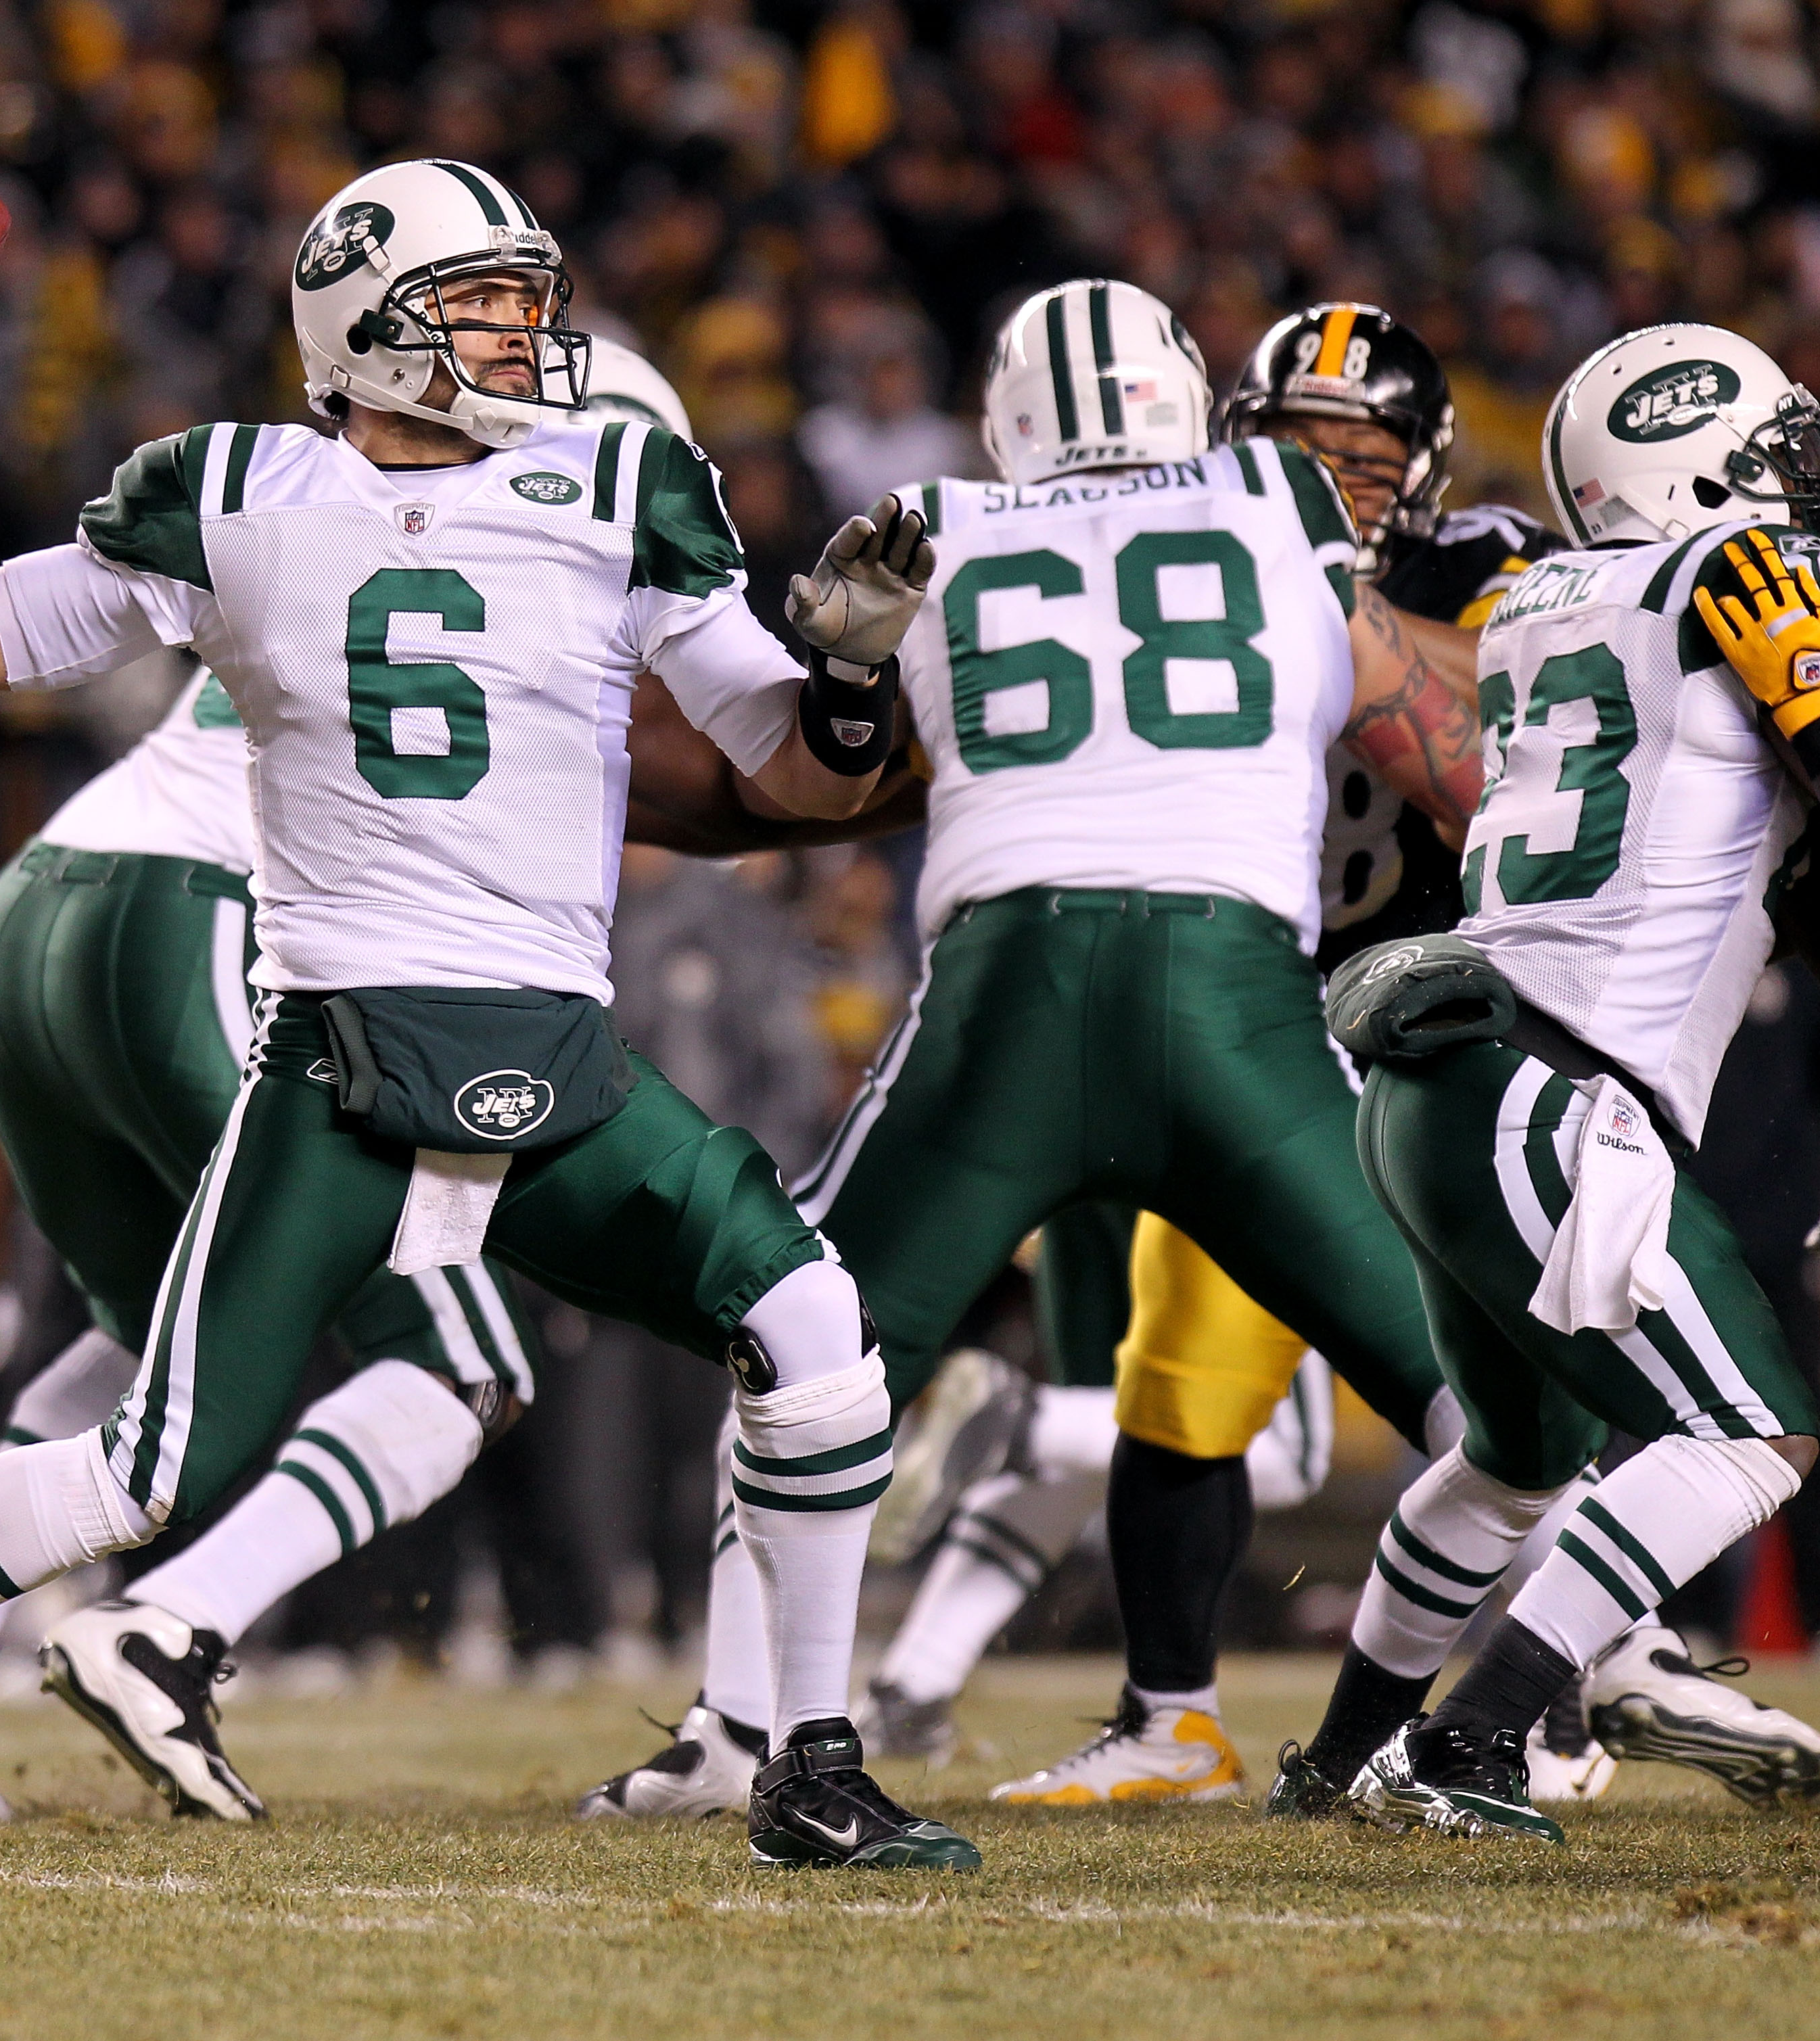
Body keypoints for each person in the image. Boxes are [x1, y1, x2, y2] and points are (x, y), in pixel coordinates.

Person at [0, 157, 973, 1877]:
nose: (530, 333)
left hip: (561, 1052)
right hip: (340, 1055)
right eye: (484, 302)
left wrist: (859, 670)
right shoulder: (226, 496)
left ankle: (807, 1760)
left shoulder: (617, 483)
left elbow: (793, 772)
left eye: (530, 297)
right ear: (364, 326)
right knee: (147, 1466)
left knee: (809, 1324)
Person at [582, 279, 1489, 1816]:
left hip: (1009, 991)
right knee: (1476, 1374)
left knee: (813, 1350)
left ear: (1005, 421)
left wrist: (852, 671)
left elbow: (826, 772)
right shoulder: (1275, 494)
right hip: (1233, 996)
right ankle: (1525, 1698)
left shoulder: (931, 518)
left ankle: (748, 1734)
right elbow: (1417, 729)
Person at [0, 346, 693, 1828]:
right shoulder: (555, 540)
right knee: (459, 1361)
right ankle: (169, 1629)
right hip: (212, 926)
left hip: (39, 909)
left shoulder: (361, 518)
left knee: (131, 1340)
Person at [845, 305, 1572, 1779]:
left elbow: (1508, 727)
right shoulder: (1207, 542)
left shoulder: (1476, 570)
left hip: (1438, 1030)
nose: (1335, 480)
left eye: (1363, 458)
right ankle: (1166, 1712)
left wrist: (1327, 604)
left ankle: (1581, 1679)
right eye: (1301, 453)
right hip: (1247, 1018)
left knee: (1492, 1373)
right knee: (1178, 1387)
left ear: (1422, 465)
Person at [1269, 324, 1820, 1837]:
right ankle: (1472, 1742)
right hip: (1561, 1095)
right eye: (1769, 457)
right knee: (1748, 1433)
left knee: (1513, 1461)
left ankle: (1334, 1766)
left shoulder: (1548, 594)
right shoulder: (1742, 580)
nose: (1798, 492)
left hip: (1446, 1086)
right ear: (1693, 468)